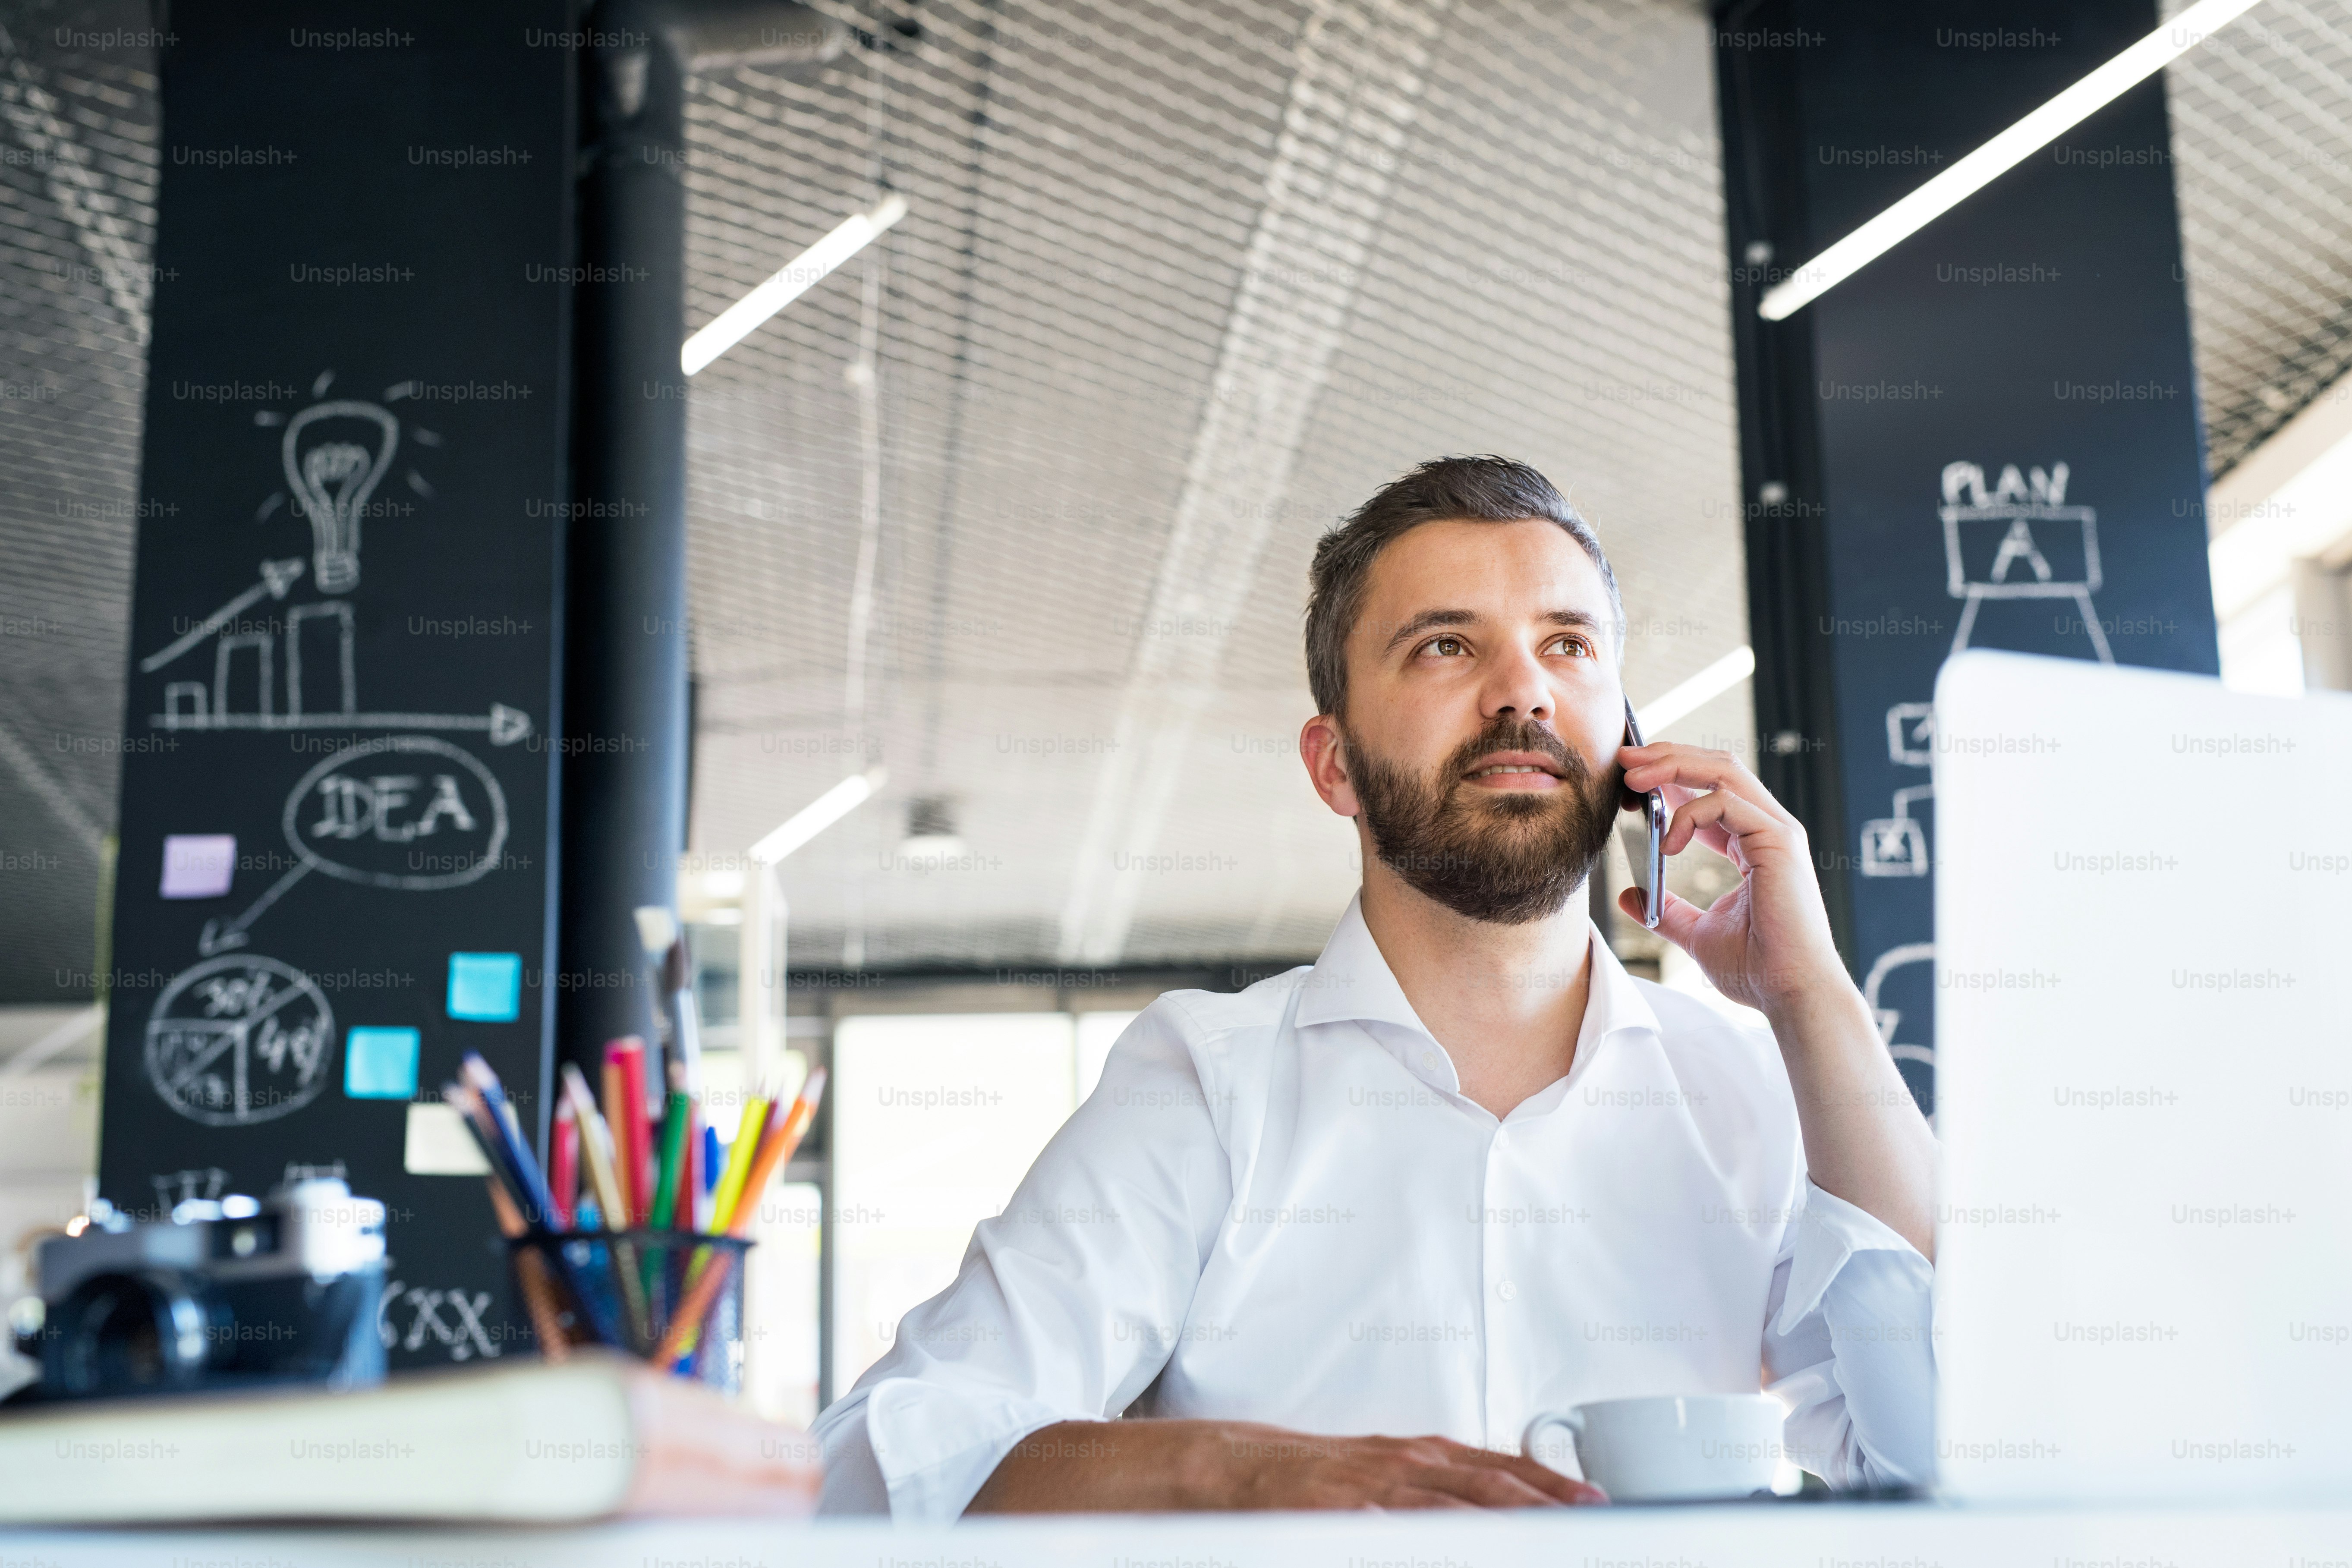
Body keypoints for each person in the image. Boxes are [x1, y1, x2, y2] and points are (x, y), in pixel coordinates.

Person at [811, 456, 1937, 1518]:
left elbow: (1952, 1449)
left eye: (1568, 645)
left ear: (1629, 741)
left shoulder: (1744, 1084)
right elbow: (887, 1451)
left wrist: (1813, 997)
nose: (1521, 693)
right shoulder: (1209, 1081)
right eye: (1447, 646)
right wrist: (1234, 1467)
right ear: (1333, 764)